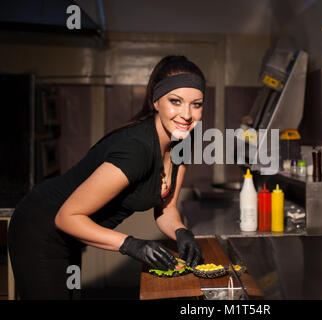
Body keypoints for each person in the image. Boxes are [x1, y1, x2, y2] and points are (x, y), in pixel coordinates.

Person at [8, 55, 205, 300]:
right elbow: (66, 217)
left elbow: (166, 207)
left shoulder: (182, 142)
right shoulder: (137, 149)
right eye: (175, 101)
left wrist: (181, 231)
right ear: (156, 101)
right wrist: (132, 245)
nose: (187, 115)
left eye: (196, 104)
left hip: (73, 234)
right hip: (41, 227)